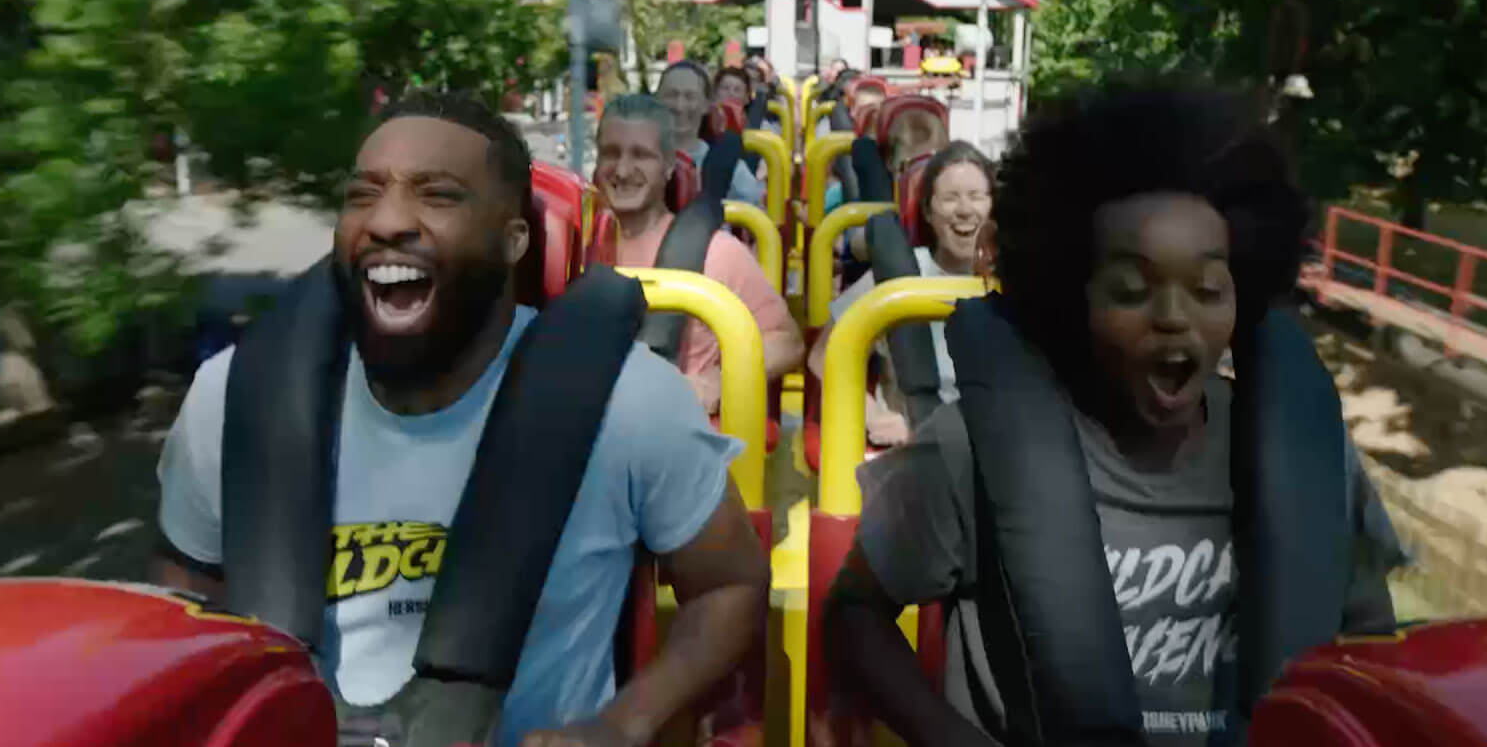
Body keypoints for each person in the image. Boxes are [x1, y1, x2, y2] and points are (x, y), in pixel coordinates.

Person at [152, 90, 769, 747]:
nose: (388, 219)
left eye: (437, 195)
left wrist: (624, 723)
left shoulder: (630, 401)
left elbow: (732, 583)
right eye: (363, 194)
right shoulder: (234, 400)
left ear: (513, 239)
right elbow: (181, 594)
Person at [823, 78, 1403, 747]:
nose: (1174, 317)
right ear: (1072, 298)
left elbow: (1372, 645)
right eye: (1131, 290)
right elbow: (854, 612)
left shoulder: (1307, 458)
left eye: (1207, 289)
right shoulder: (969, 450)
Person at [594, 94, 804, 412]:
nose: (622, 170)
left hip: (672, 421)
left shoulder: (717, 253)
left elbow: (786, 341)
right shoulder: (576, 245)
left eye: (641, 155)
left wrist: (716, 381)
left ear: (668, 166)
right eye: (611, 154)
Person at [808, 141, 993, 448]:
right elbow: (823, 356)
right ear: (928, 211)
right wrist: (873, 415)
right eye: (950, 198)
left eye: (976, 197)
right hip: (910, 442)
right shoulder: (897, 273)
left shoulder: (1012, 280)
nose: (964, 210)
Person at [656, 60, 764, 207]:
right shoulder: (636, 156)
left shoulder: (725, 163)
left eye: (690, 96)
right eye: (671, 95)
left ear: (706, 104)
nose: (679, 106)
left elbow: (756, 207)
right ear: (657, 100)